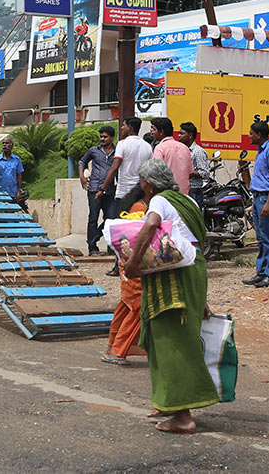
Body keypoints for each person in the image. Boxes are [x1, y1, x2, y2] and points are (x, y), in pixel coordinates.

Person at [122, 158, 218, 434]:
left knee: (171, 340)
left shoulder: (159, 201)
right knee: (159, 336)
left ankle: (183, 415)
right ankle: (167, 401)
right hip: (194, 272)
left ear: (149, 185)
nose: (141, 187)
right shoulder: (188, 201)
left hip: (175, 276)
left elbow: (150, 225)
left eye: (142, 182)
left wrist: (132, 262)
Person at [98, 118, 153, 276]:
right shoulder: (147, 146)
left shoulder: (122, 144)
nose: (121, 127)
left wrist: (102, 188)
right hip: (141, 193)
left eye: (123, 125)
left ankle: (119, 267)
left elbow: (115, 166)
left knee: (121, 232)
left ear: (130, 127)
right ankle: (140, 265)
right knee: (138, 230)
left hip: (123, 193)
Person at [101, 198, 148, 366]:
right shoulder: (140, 207)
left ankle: (111, 347)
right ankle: (117, 350)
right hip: (133, 263)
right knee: (137, 305)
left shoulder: (140, 204)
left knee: (127, 305)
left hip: (130, 263)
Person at [245, 120, 269, 288]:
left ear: (259, 135)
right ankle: (262, 273)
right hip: (258, 198)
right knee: (261, 238)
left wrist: (268, 203)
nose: (249, 136)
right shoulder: (261, 151)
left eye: (251, 133)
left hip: (266, 198)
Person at [79, 126, 117, 255]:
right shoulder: (94, 150)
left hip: (110, 190)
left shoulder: (117, 151)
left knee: (111, 218)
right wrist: (82, 177)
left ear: (112, 138)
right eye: (101, 136)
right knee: (93, 218)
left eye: (105, 137)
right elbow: (82, 162)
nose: (102, 139)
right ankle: (92, 247)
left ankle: (95, 239)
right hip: (94, 189)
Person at [150, 117, 192, 196]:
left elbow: (156, 172)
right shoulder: (184, 148)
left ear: (161, 132)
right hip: (184, 195)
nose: (152, 131)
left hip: (167, 195)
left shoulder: (160, 148)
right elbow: (189, 172)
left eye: (154, 129)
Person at [178, 122, 210, 208]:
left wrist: (189, 173)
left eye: (182, 133)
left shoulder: (198, 151)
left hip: (194, 191)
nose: (179, 136)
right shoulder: (181, 150)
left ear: (190, 136)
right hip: (182, 189)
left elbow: (205, 173)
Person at [0, 136, 24, 200]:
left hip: (13, 193)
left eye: (7, 143)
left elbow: (19, 175)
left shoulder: (16, 159)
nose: (4, 145)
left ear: (12, 145)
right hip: (0, 193)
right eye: (3, 143)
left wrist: (19, 190)